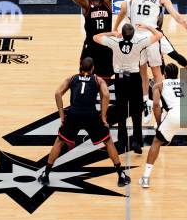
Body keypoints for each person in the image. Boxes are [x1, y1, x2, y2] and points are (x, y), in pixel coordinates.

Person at [112, 0, 187, 131]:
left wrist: (184, 23)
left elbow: (174, 13)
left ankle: (164, 103)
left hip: (152, 37)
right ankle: (147, 103)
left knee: (157, 73)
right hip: (136, 38)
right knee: (141, 73)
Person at [37, 57, 131, 187]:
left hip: (73, 114)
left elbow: (58, 93)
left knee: (59, 141)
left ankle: (45, 174)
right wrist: (103, 116)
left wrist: (62, 115)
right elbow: (107, 95)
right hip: (90, 115)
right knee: (108, 141)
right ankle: (121, 174)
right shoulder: (98, 80)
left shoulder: (72, 78)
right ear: (93, 68)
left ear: (80, 67)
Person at [139, 63, 187, 188]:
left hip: (174, 114)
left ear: (164, 74)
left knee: (157, 142)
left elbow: (155, 105)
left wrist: (160, 123)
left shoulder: (158, 85)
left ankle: (145, 178)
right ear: (177, 75)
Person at [94, 23, 163, 153]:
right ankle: (137, 143)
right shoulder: (139, 42)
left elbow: (95, 37)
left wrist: (113, 33)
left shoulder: (114, 42)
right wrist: (147, 26)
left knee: (121, 111)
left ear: (123, 33)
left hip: (121, 80)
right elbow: (159, 35)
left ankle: (121, 144)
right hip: (135, 79)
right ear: (132, 35)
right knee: (136, 111)